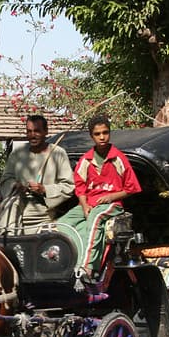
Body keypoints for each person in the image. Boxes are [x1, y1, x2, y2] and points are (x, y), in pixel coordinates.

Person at [58, 115, 142, 286]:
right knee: (62, 224)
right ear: (92, 136)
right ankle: (65, 264)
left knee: (96, 221)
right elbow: (80, 187)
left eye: (105, 133)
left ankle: (87, 267)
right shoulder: (86, 160)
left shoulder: (118, 158)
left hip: (111, 205)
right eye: (97, 134)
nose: (102, 137)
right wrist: (84, 205)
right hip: (89, 203)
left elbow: (132, 187)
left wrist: (112, 196)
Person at [0, 114, 75, 231]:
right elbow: (5, 180)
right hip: (14, 214)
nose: (32, 135)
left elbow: (69, 186)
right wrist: (15, 185)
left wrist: (44, 189)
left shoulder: (58, 153)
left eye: (37, 131)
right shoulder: (17, 154)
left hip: (44, 217)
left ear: (46, 131)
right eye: (29, 131)